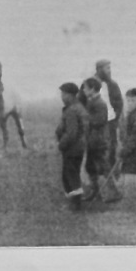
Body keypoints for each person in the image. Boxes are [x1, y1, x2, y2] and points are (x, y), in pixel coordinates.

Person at [53, 81, 90, 211]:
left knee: (70, 175)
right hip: (78, 147)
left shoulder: (72, 110)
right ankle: (73, 203)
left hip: (72, 148)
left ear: (70, 95)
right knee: (71, 174)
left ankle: (75, 205)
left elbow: (71, 133)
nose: (62, 97)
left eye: (63, 94)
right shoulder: (77, 107)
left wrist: (61, 145)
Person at [79, 77, 110, 202]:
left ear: (92, 89)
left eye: (85, 88)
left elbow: (100, 121)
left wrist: (85, 120)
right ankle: (96, 192)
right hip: (92, 140)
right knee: (90, 166)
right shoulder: (92, 102)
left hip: (98, 140)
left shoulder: (100, 103)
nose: (84, 90)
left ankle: (109, 192)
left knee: (101, 167)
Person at [94, 59, 124, 177]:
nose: (109, 71)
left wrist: (115, 116)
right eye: (107, 68)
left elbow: (119, 102)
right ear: (99, 69)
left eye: (110, 68)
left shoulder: (112, 84)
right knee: (98, 148)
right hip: (97, 123)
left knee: (112, 147)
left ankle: (111, 173)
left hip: (110, 122)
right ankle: (99, 174)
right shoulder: (90, 84)